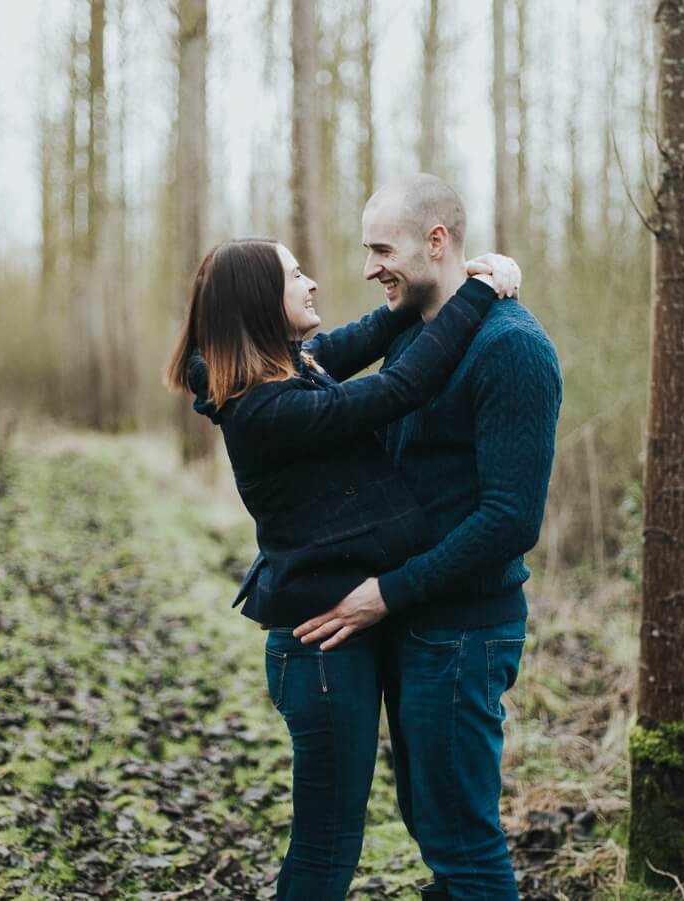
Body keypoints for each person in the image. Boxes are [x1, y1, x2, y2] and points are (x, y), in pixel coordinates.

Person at [164, 236, 520, 900]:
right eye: (295, 274)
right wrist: (483, 288)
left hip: (345, 638)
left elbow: (365, 334)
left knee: (343, 841)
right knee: (328, 851)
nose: (313, 283)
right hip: (321, 653)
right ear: (258, 303)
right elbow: (402, 386)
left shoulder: (288, 368)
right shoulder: (266, 407)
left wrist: (422, 287)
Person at [293, 174, 563, 901]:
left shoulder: (513, 349)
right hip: (418, 628)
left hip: (464, 634)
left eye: (382, 248)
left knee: (464, 845)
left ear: (436, 241)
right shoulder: (415, 331)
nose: (368, 265)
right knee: (432, 824)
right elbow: (309, 372)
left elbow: (511, 519)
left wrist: (387, 591)